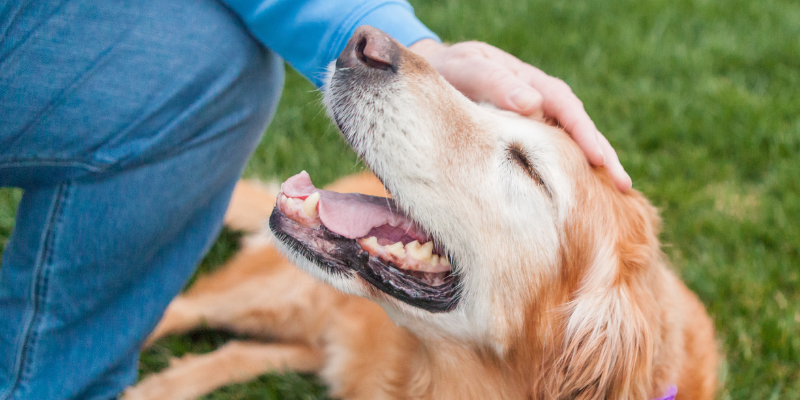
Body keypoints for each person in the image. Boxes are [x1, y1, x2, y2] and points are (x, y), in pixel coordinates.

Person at [0, 0, 631, 398]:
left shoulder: (598, 352)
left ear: (580, 340)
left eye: (522, 167)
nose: (373, 49)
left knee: (214, 57)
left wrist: (433, 52)